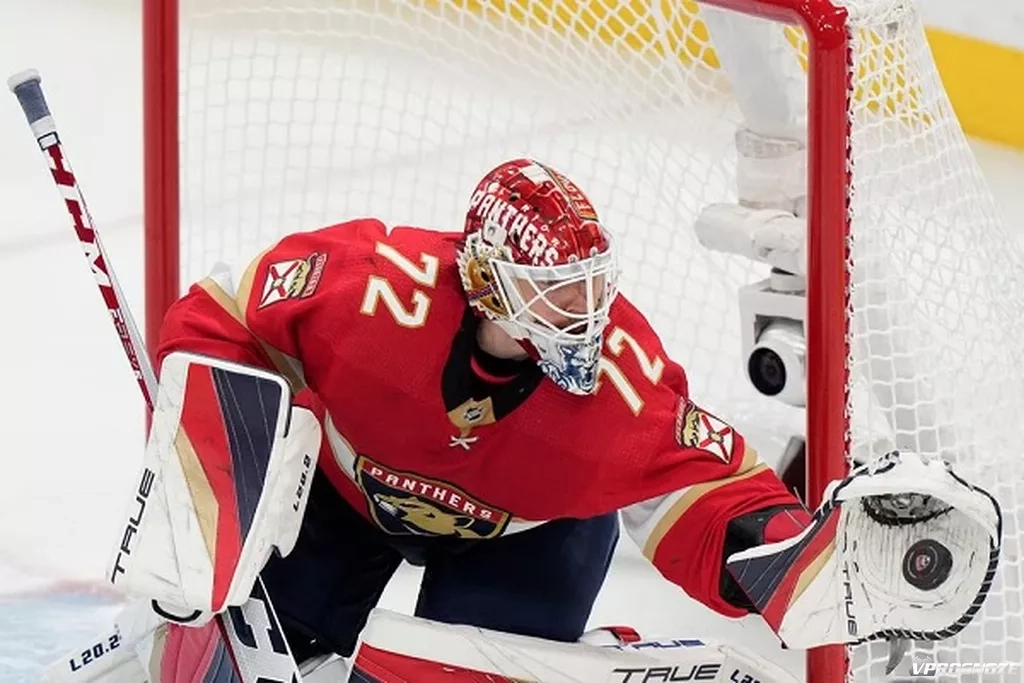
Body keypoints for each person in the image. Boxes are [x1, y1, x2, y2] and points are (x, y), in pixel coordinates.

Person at [89, 158, 997, 682]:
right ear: (486, 279)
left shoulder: (621, 381)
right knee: (257, 658)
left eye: (590, 288)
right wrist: (205, 491)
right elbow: (224, 315)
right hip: (351, 497)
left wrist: (801, 559)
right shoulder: (373, 291)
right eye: (555, 292)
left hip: (528, 537)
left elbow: (708, 487)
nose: (584, 315)